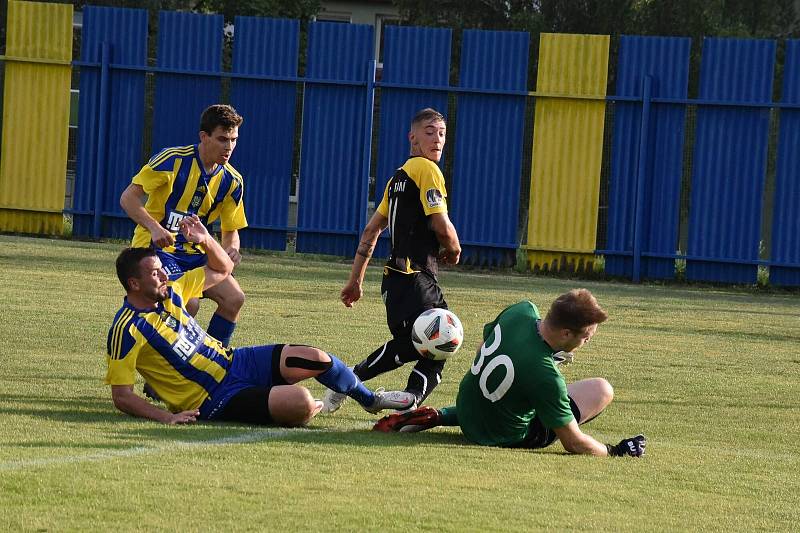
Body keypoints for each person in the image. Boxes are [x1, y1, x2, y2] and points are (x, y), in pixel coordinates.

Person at [106, 215, 415, 426]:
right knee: (302, 403)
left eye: (162, 268)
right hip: (215, 398)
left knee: (317, 358)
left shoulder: (173, 290)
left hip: (235, 362)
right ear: (134, 284)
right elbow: (122, 396)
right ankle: (311, 406)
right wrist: (167, 417)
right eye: (155, 273)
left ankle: (369, 400)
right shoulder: (126, 329)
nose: (163, 275)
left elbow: (223, 268)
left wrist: (205, 240)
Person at [373, 289, 647, 458]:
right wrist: (613, 451)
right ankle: (444, 416)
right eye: (586, 337)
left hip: (468, 409)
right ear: (565, 333)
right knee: (601, 390)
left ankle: (442, 415)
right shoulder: (544, 374)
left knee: (516, 392)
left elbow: (484, 345)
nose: (586, 342)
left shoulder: (521, 310)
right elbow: (572, 443)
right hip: (502, 435)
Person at [323, 108, 462, 413]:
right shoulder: (427, 170)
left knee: (414, 343)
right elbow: (441, 223)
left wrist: (355, 281)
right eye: (429, 132)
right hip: (416, 277)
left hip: (394, 283)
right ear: (412, 137)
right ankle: (400, 395)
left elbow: (371, 231)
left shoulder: (396, 179)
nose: (437, 139)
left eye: (441, 134)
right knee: (444, 336)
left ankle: (355, 383)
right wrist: (453, 247)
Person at [120, 104, 246, 349]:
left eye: (233, 140)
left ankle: (215, 364)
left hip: (196, 255)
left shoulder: (233, 181)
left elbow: (231, 229)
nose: (229, 147)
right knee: (189, 303)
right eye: (222, 139)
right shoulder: (172, 160)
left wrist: (231, 249)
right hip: (155, 251)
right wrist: (155, 228)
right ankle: (167, 374)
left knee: (234, 299)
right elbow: (128, 198)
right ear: (204, 136)